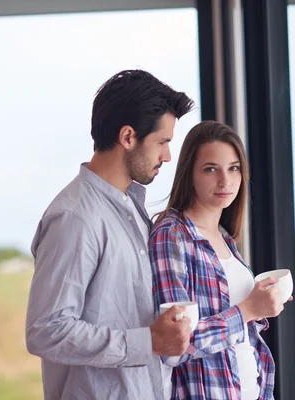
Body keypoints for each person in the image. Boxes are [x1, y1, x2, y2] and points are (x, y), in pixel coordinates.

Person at [25, 69, 196, 400]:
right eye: (162, 142)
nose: (168, 156)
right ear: (129, 137)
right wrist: (148, 342)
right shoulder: (75, 218)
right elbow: (46, 331)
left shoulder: (132, 209)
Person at [150, 121, 291, 400]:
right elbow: (176, 346)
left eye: (234, 168)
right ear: (189, 173)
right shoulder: (172, 236)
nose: (225, 181)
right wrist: (248, 310)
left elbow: (237, 330)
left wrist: (264, 304)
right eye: (211, 169)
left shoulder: (224, 237)